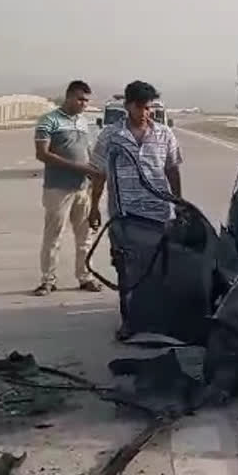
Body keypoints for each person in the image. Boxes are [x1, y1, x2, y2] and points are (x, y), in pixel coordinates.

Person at [89, 80, 184, 339]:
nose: (147, 112)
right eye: (142, 107)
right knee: (127, 268)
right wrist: (94, 207)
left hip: (158, 213)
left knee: (157, 268)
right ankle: (129, 321)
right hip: (124, 215)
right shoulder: (111, 136)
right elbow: (99, 175)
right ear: (128, 106)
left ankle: (157, 319)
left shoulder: (165, 134)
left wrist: (179, 204)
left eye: (150, 107)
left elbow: (172, 170)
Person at [33, 80, 103, 296]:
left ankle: (85, 276)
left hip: (83, 188)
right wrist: (77, 167)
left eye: (86, 101)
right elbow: (42, 154)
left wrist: (92, 176)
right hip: (58, 188)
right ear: (69, 97)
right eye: (80, 99)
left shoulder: (83, 122)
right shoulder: (49, 120)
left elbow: (88, 152)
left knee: (85, 237)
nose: (84, 104)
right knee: (54, 236)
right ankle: (48, 279)